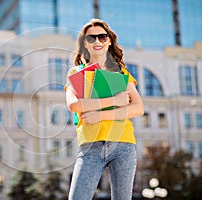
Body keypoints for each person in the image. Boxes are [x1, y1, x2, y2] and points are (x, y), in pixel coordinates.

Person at [65, 18, 144, 200]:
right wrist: (114, 100)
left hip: (123, 145)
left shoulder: (121, 73)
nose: (97, 42)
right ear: (85, 43)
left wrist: (98, 114)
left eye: (102, 37)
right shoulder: (76, 73)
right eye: (91, 38)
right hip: (90, 147)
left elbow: (138, 108)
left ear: (109, 40)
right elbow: (74, 105)